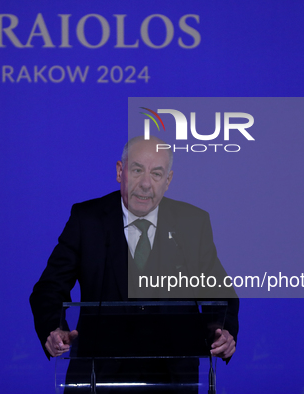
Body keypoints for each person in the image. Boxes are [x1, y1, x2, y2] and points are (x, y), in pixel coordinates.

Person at [30, 136, 239, 392]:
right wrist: (56, 329)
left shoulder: (192, 223)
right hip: (98, 376)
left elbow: (220, 293)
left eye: (157, 173)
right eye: (137, 170)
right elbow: (48, 289)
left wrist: (222, 332)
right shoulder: (87, 220)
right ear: (120, 171)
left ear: (168, 181)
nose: (145, 184)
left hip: (173, 379)